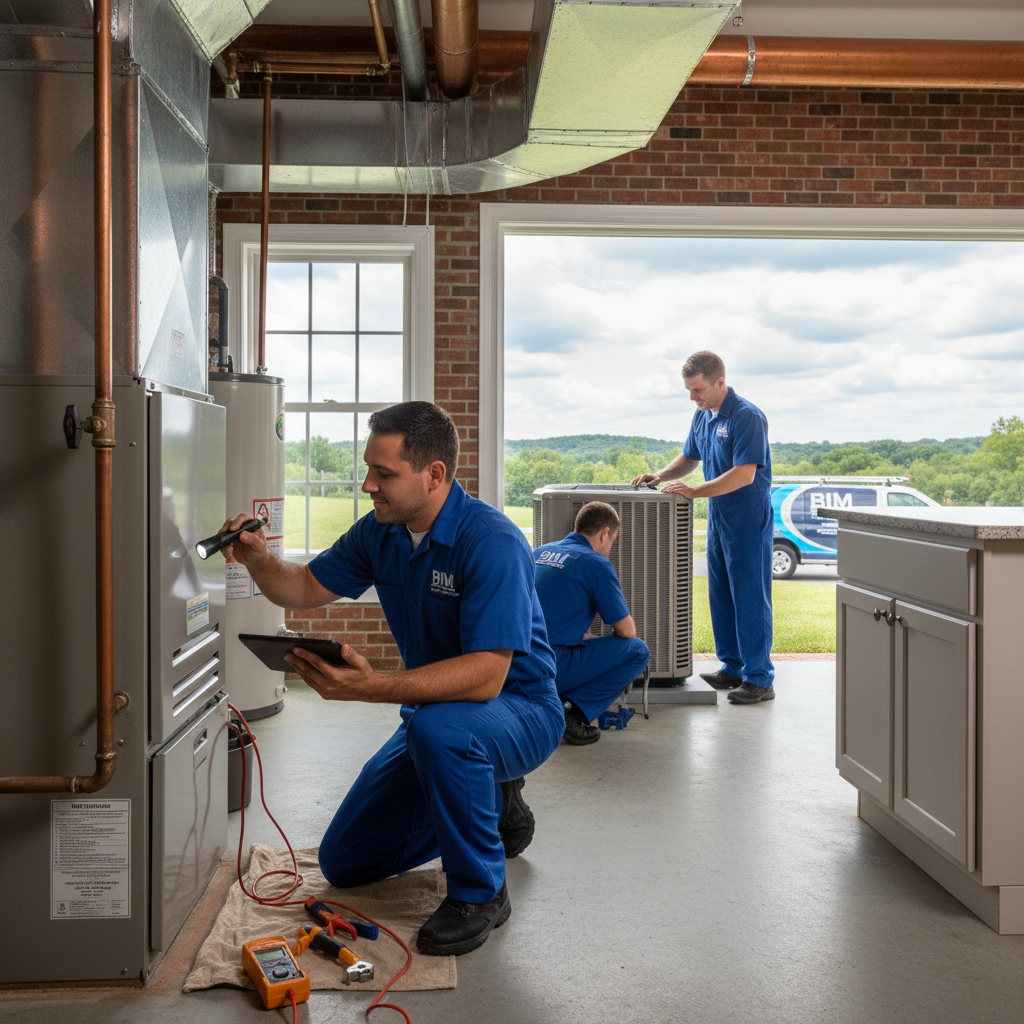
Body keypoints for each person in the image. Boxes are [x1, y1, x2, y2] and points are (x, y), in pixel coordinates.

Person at [220, 401, 564, 957]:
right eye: (368, 469)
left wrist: (369, 686)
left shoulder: (491, 541)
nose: (367, 485)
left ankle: (480, 892)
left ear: (434, 475)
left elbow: (485, 678)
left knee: (445, 735)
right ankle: (493, 799)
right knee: (346, 862)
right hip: (439, 716)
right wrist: (259, 559)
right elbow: (303, 588)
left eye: (384, 474)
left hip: (519, 707)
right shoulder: (382, 532)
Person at [632, 351, 775, 704]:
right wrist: (662, 475)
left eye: (697, 390)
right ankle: (733, 667)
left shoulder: (747, 417)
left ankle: (759, 678)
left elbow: (745, 473)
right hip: (718, 518)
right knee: (721, 594)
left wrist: (694, 492)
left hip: (747, 517)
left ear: (720, 382)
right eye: (689, 391)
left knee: (750, 597)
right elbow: (690, 457)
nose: (692, 398)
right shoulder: (702, 416)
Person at [534, 502, 650, 744]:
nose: (609, 548)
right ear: (605, 533)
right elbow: (626, 631)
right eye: (612, 541)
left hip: (512, 663)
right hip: (549, 666)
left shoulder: (539, 553)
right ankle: (570, 712)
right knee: (638, 651)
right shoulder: (596, 563)